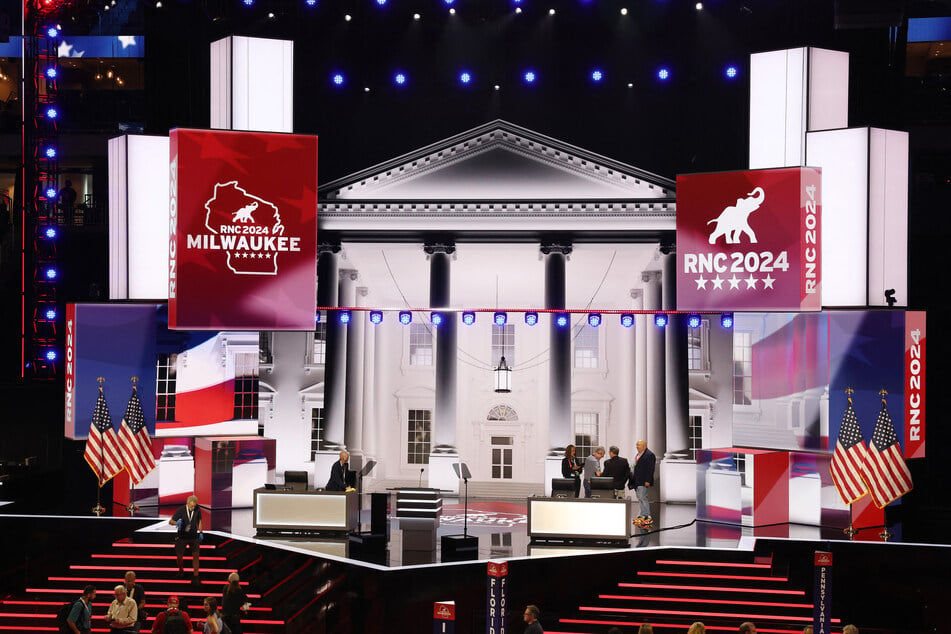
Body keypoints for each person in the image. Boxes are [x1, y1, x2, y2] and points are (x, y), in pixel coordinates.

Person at [169, 495, 203, 584]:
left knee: (196, 555)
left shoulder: (197, 509)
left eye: (194, 506)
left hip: (193, 536)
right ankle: (181, 570)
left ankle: (196, 576)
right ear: (187, 503)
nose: (193, 507)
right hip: (182, 537)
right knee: (179, 556)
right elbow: (171, 521)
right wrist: (176, 522)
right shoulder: (181, 509)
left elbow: (199, 521)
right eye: (191, 506)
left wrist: (201, 532)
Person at [629, 439, 656, 522]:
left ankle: (647, 515)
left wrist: (648, 480)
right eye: (636, 445)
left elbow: (650, 469)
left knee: (643, 497)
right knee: (640, 498)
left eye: (638, 445)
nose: (637, 446)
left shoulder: (649, 455)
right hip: (637, 480)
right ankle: (642, 515)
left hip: (643, 480)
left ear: (644, 446)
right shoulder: (638, 454)